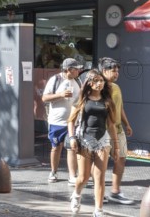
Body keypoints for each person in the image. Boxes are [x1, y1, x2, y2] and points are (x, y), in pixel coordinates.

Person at [67, 69, 118, 217]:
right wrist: (71, 138)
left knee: (100, 177)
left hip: (103, 140)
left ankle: (98, 210)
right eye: (96, 81)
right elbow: (70, 121)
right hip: (85, 139)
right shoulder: (82, 99)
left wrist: (116, 146)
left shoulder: (107, 101)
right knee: (83, 177)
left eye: (101, 81)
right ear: (89, 83)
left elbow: (112, 124)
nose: (100, 83)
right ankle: (76, 194)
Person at [41, 57, 83, 185]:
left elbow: (80, 99)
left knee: (72, 148)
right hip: (56, 122)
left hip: (73, 122)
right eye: (76, 69)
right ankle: (53, 171)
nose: (78, 71)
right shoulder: (56, 80)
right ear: (69, 70)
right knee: (56, 148)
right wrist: (60, 95)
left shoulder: (78, 81)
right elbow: (44, 98)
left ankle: (72, 176)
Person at [99, 57, 134, 205]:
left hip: (118, 129)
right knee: (101, 162)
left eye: (117, 71)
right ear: (104, 71)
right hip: (103, 131)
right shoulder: (98, 87)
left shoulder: (116, 87)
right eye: (113, 71)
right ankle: (98, 194)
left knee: (121, 158)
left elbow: (120, 108)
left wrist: (127, 124)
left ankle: (115, 191)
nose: (116, 73)